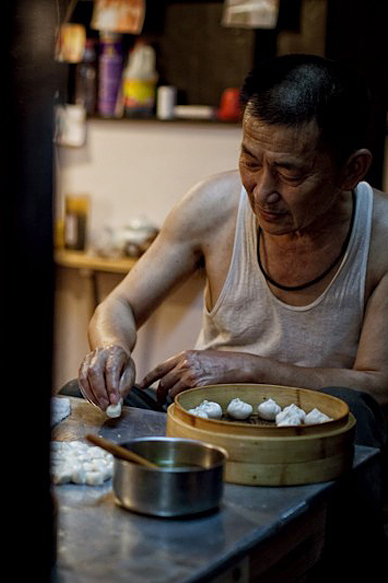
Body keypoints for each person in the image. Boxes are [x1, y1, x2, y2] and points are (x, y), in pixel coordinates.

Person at [77, 54, 388, 450]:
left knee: (355, 412)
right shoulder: (212, 206)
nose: (262, 192)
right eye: (250, 162)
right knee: (81, 399)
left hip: (313, 432)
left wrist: (251, 370)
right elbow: (120, 305)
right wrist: (110, 350)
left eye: (290, 173)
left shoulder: (381, 234)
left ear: (351, 170)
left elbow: (378, 385)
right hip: (206, 418)